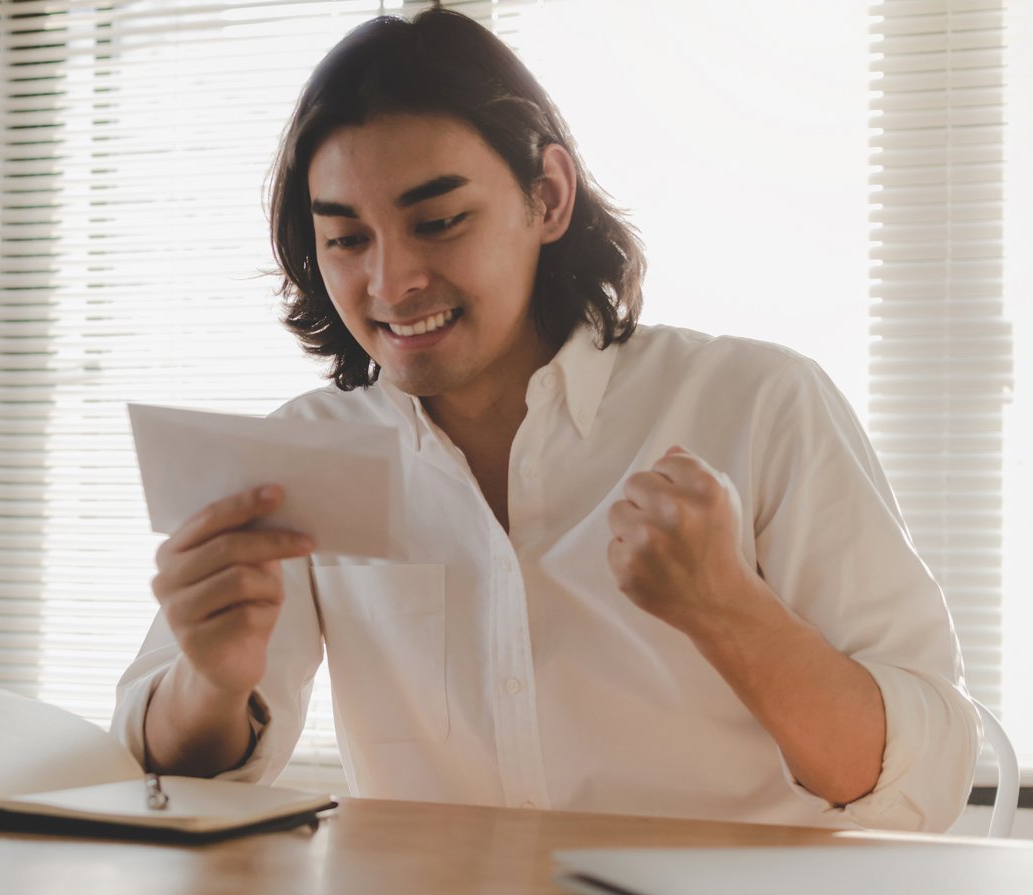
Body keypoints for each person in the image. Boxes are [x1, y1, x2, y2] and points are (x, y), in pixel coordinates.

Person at [113, 8, 979, 831]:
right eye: (346, 239)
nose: (391, 280)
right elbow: (165, 783)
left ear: (550, 196)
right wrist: (213, 685)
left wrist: (730, 612)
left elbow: (925, 786)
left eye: (440, 221)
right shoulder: (305, 457)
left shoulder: (758, 404)